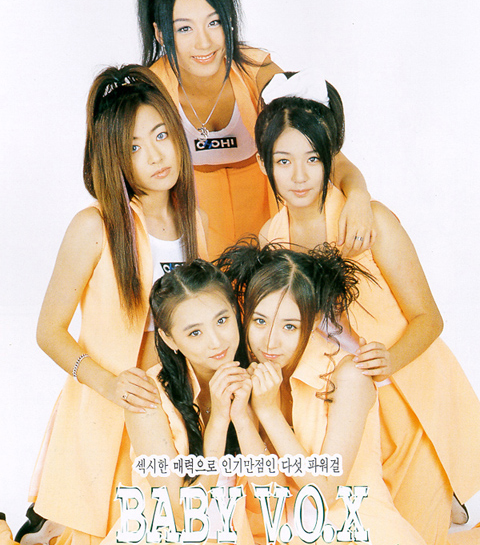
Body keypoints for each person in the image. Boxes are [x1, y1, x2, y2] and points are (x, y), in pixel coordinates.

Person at [254, 70, 480, 545]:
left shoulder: (368, 220)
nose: (299, 177)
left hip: (406, 402)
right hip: (338, 415)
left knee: (420, 531)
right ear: (264, 165)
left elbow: (430, 318)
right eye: (284, 161)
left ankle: (452, 505)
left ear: (330, 159)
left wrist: (389, 360)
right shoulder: (270, 240)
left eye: (313, 159)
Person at [23, 65, 208, 545]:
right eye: (133, 148)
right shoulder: (94, 227)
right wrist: (109, 384)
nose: (156, 155)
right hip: (110, 413)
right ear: (114, 159)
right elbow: (48, 331)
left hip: (176, 408)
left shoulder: (196, 223)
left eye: (161, 135)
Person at [135, 0, 374, 257]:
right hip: (194, 254)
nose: (204, 43)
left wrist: (358, 195)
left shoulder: (260, 75)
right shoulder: (148, 93)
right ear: (161, 33)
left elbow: (323, 152)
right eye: (184, 29)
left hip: (271, 249)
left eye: (214, 22)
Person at [216, 241, 428, 545]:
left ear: (314, 320)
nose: (270, 342)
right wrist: (243, 417)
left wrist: (268, 412)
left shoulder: (349, 375)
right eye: (260, 321)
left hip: (358, 530)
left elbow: (325, 493)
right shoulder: (253, 377)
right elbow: (270, 499)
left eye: (290, 326)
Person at [119, 259, 255, 544]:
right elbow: (181, 515)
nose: (216, 342)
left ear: (235, 311)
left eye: (222, 320)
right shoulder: (148, 396)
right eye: (195, 332)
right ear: (169, 339)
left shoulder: (256, 378)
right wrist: (219, 420)